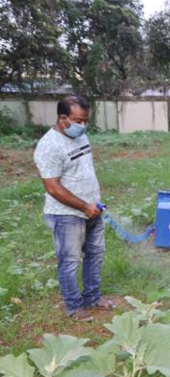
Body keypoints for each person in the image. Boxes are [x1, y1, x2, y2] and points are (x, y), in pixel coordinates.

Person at [33, 95, 114, 322]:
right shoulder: (48, 146)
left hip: (92, 209)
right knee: (69, 262)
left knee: (95, 255)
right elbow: (53, 187)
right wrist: (84, 205)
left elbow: (82, 170)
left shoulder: (81, 136)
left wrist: (93, 202)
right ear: (63, 118)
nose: (83, 126)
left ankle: (92, 297)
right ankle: (74, 306)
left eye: (86, 121)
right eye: (79, 121)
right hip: (67, 215)